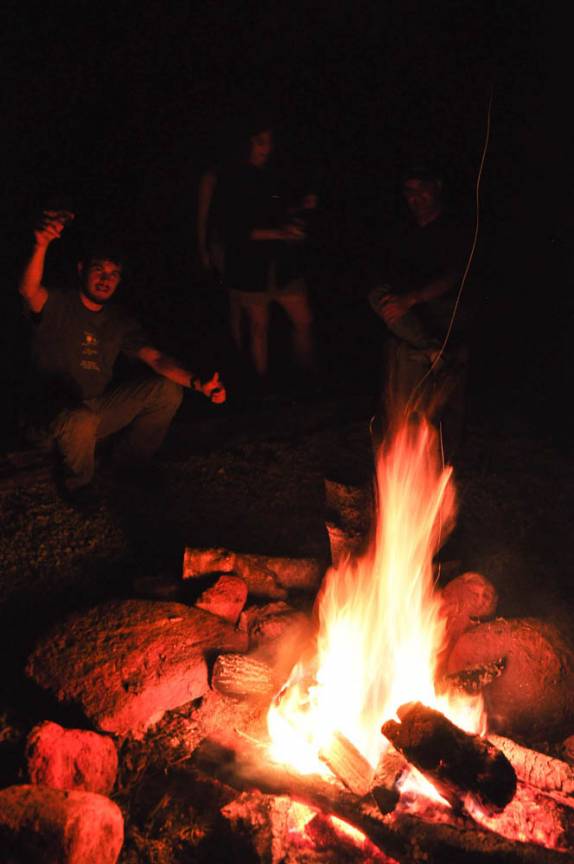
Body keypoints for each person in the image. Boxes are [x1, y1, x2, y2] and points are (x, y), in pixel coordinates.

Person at [19, 209, 226, 506]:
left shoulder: (118, 320)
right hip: (51, 416)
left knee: (166, 390)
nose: (106, 279)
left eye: (113, 274)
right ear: (82, 269)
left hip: (93, 412)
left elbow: (156, 359)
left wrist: (199, 384)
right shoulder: (59, 304)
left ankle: (129, 464)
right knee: (80, 418)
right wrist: (41, 245)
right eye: (99, 271)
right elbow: (28, 292)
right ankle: (80, 486)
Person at [197, 122, 317, 389]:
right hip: (250, 268)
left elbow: (276, 211)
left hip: (283, 266)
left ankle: (306, 378)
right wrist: (280, 233)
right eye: (260, 141)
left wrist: (298, 210)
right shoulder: (231, 178)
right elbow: (235, 230)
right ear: (247, 143)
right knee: (257, 327)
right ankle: (258, 385)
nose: (267, 148)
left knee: (303, 320)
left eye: (269, 142)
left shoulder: (271, 174)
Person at [369, 165, 473, 454]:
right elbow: (393, 277)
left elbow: (454, 277)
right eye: (409, 192)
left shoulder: (453, 227)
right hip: (411, 315)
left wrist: (412, 298)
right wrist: (398, 299)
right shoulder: (405, 230)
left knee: (405, 322)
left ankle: (430, 348)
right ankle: (430, 347)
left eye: (421, 189)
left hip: (444, 308)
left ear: (437, 186)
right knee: (377, 295)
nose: (416, 198)